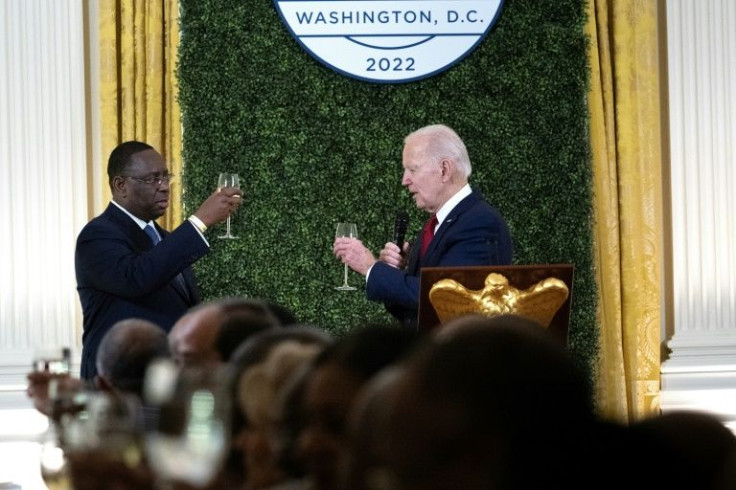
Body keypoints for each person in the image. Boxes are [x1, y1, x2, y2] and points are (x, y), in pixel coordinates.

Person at [75, 141, 242, 379]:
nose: (164, 187)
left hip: (166, 381)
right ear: (120, 185)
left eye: (166, 177)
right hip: (119, 383)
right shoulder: (97, 235)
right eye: (152, 179)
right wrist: (199, 220)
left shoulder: (164, 238)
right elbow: (137, 278)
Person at [333, 124, 513, 329]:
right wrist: (396, 273)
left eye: (413, 169)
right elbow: (414, 310)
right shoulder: (441, 223)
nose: (404, 180)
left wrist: (370, 267)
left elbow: (443, 298)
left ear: (444, 170)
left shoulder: (480, 223)